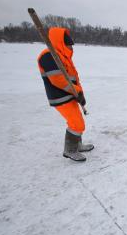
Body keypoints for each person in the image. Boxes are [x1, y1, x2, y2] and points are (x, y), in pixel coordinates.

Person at [37, 27, 94, 162]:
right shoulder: (49, 55)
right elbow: (57, 80)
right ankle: (70, 150)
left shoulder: (63, 56)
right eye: (68, 44)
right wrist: (76, 91)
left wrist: (80, 93)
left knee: (76, 120)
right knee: (77, 124)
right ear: (61, 42)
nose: (71, 47)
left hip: (70, 95)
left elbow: (73, 77)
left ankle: (77, 144)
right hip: (60, 96)